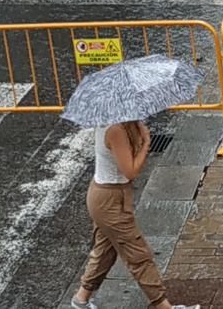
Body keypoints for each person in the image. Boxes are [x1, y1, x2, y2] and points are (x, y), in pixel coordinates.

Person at [72, 120, 199, 309]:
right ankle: (163, 306)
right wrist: (146, 143)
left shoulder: (122, 124)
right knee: (138, 253)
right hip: (110, 200)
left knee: (105, 251)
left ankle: (80, 299)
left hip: (109, 196)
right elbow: (130, 171)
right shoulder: (115, 129)